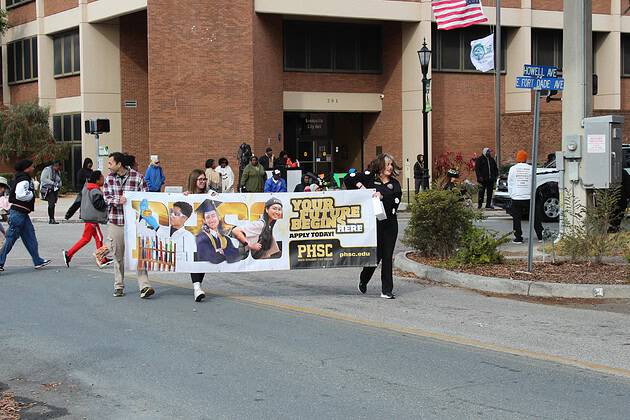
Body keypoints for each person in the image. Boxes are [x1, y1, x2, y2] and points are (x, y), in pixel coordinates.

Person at [350, 154, 402, 299]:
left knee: (387, 256)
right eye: (387, 164)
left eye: (391, 164)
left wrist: (381, 195)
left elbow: (394, 198)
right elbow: (349, 178)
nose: (390, 167)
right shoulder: (370, 179)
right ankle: (363, 279)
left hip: (390, 224)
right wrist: (361, 186)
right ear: (380, 166)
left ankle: (386, 290)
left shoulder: (395, 184)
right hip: (375, 224)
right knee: (375, 257)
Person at [103, 152, 155, 298]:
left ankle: (145, 286)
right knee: (117, 255)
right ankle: (118, 285)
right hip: (116, 221)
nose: (108, 166)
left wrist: (136, 202)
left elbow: (145, 196)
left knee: (139, 253)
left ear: (119, 164)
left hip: (134, 223)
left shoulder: (137, 177)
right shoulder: (109, 179)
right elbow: (106, 197)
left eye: (110, 163)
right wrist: (117, 200)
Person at [0, 159, 52, 272]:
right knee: (11, 239)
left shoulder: (23, 178)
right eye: (31, 167)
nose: (33, 168)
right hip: (18, 213)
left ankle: (37, 260)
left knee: (30, 237)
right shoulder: (24, 179)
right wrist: (32, 194)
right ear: (26, 168)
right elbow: (20, 195)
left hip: (22, 213)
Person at [62, 171, 113, 268]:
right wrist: (107, 200)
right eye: (102, 178)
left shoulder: (86, 188)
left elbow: (77, 202)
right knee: (98, 238)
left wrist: (69, 213)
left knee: (87, 238)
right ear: (97, 180)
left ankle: (68, 254)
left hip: (89, 217)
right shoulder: (95, 191)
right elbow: (99, 205)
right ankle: (101, 258)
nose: (104, 180)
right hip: (92, 218)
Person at [508, 150, 543, 244]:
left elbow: (510, 183)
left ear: (517, 158)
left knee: (516, 219)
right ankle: (540, 236)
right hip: (529, 197)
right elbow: (534, 182)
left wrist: (512, 195)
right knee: (535, 217)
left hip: (516, 197)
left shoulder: (512, 169)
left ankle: (518, 237)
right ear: (525, 159)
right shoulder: (531, 168)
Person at [195, 199, 239, 264]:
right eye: (208, 217)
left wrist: (221, 252)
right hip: (202, 270)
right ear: (204, 221)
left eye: (213, 216)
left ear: (218, 217)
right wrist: (226, 253)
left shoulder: (225, 238)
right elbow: (213, 258)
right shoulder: (201, 237)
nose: (211, 220)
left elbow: (236, 255)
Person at [40, 160, 63, 224]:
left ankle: (52, 218)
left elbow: (59, 179)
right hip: (48, 189)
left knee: (53, 204)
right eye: (56, 166)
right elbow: (43, 179)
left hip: (54, 189)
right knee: (51, 203)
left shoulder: (58, 172)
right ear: (53, 165)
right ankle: (51, 219)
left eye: (58, 166)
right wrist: (53, 183)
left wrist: (59, 184)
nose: (57, 167)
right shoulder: (47, 170)